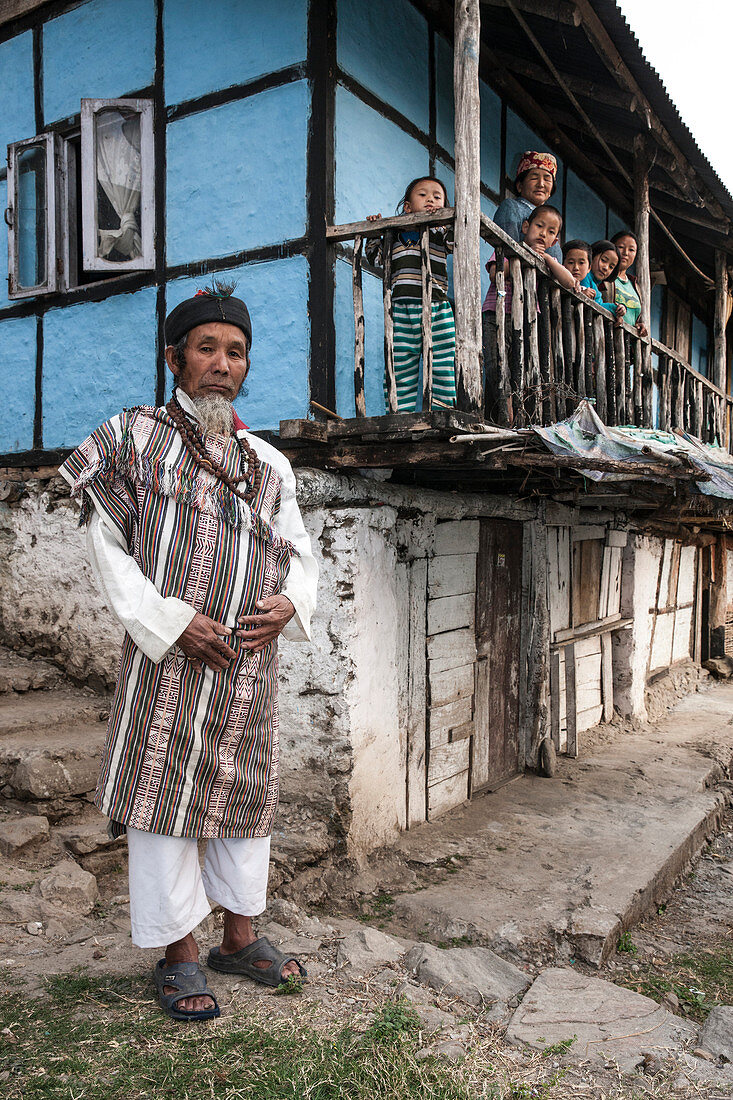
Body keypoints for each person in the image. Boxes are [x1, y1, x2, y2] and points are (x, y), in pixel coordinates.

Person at [58, 282, 318, 1022]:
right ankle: (178, 952)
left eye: (234, 352)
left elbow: (301, 551)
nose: (221, 363)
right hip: (169, 660)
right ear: (174, 357)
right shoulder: (130, 439)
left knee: (243, 799)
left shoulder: (268, 463)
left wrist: (291, 602)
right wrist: (172, 622)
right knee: (161, 799)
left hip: (246, 665)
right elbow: (108, 550)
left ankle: (239, 937)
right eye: (206, 348)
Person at [365, 176, 456, 412]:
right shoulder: (393, 237)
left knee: (442, 364)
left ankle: (443, 412)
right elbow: (376, 259)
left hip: (436, 307)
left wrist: (446, 220)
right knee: (399, 365)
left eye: (437, 197)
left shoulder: (439, 233)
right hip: (400, 310)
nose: (430, 200)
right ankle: (398, 415)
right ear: (407, 207)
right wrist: (375, 232)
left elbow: (455, 242)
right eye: (423, 195)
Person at [483, 204, 579, 419]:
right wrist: (523, 253)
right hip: (496, 316)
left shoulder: (546, 262)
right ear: (526, 226)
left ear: (554, 242)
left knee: (520, 370)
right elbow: (494, 273)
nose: (543, 233)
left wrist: (545, 259)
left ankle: (516, 417)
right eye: (539, 226)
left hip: (526, 323)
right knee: (496, 366)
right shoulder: (510, 248)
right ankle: (504, 417)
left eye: (551, 232)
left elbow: (569, 282)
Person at [492, 151, 563, 261]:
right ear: (520, 186)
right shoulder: (511, 207)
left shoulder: (555, 221)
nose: (541, 184)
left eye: (547, 179)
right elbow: (506, 251)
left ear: (550, 192)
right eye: (534, 178)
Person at [565, 239, 626, 322]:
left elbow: (599, 306)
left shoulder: (594, 285)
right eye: (603, 260)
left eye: (611, 267)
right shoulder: (583, 277)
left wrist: (617, 309)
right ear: (591, 257)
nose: (606, 268)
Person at [610, 229, 648, 337]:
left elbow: (632, 317)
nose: (625, 253)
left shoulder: (634, 286)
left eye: (631, 250)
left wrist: (638, 325)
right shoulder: (604, 277)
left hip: (626, 346)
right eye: (621, 247)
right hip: (605, 338)